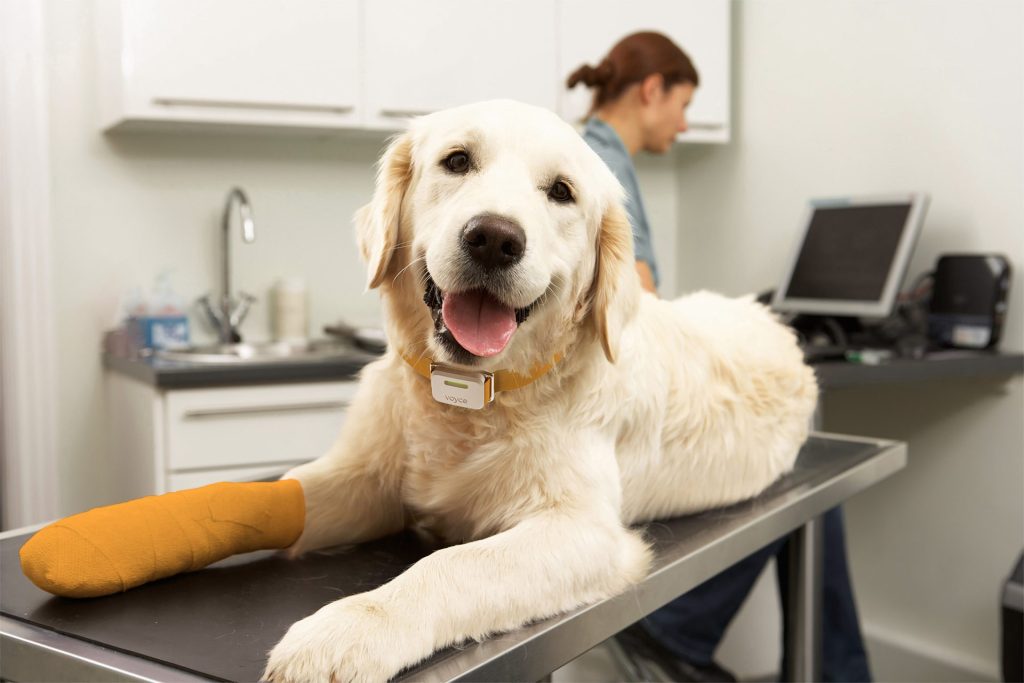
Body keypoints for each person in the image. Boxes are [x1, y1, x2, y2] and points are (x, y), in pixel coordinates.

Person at [567, 32, 872, 683]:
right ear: (652, 90)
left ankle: (704, 635)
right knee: (795, 435)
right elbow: (634, 309)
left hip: (592, 411)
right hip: (603, 425)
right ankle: (680, 629)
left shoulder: (588, 153)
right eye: (682, 103)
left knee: (793, 442)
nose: (683, 122)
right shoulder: (600, 164)